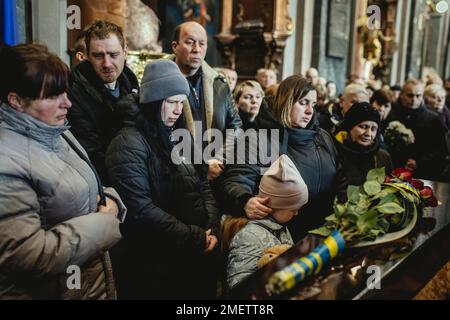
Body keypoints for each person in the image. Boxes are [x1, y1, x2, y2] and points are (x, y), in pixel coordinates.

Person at [0, 43, 124, 299]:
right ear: (16, 101)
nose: (67, 103)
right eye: (52, 96)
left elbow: (87, 185)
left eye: (65, 92)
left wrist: (111, 200)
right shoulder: (6, 161)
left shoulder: (56, 131)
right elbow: (30, 255)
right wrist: (104, 223)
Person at [105, 59, 221, 299]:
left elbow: (202, 183)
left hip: (192, 250)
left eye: (182, 102)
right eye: (171, 103)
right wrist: (195, 236)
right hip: (154, 263)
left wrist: (211, 224)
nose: (178, 111)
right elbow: (141, 209)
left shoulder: (179, 136)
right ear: (154, 101)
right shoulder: (127, 143)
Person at [220, 76, 340, 242]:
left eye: (312, 104)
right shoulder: (259, 138)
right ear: (286, 101)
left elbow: (340, 177)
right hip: (278, 238)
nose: (310, 111)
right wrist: (245, 201)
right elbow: (235, 180)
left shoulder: (323, 137)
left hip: (323, 234)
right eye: (303, 102)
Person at [68, 20, 139, 185]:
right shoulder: (74, 95)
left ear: (125, 53)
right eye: (98, 56)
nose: (107, 64)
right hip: (103, 183)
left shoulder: (132, 85)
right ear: (86, 56)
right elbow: (90, 155)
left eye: (113, 55)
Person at [170, 21, 242, 181]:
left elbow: (235, 126)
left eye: (202, 44)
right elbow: (159, 134)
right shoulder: (162, 82)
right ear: (175, 46)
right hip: (178, 176)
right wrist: (201, 167)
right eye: (189, 42)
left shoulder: (219, 83)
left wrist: (218, 159)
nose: (197, 49)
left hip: (218, 171)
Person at [226, 155, 308, 288]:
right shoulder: (248, 238)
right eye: (292, 209)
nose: (296, 213)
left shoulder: (280, 226)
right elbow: (239, 288)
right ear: (274, 206)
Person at [390, 79, 447, 180]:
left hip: (422, 174)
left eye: (418, 96)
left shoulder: (433, 119)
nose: (414, 99)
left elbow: (440, 151)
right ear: (401, 95)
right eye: (410, 95)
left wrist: (419, 162)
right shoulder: (392, 114)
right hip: (394, 170)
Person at [334, 102, 392, 199]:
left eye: (373, 129)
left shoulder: (382, 156)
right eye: (363, 127)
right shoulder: (334, 152)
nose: (368, 134)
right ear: (350, 127)